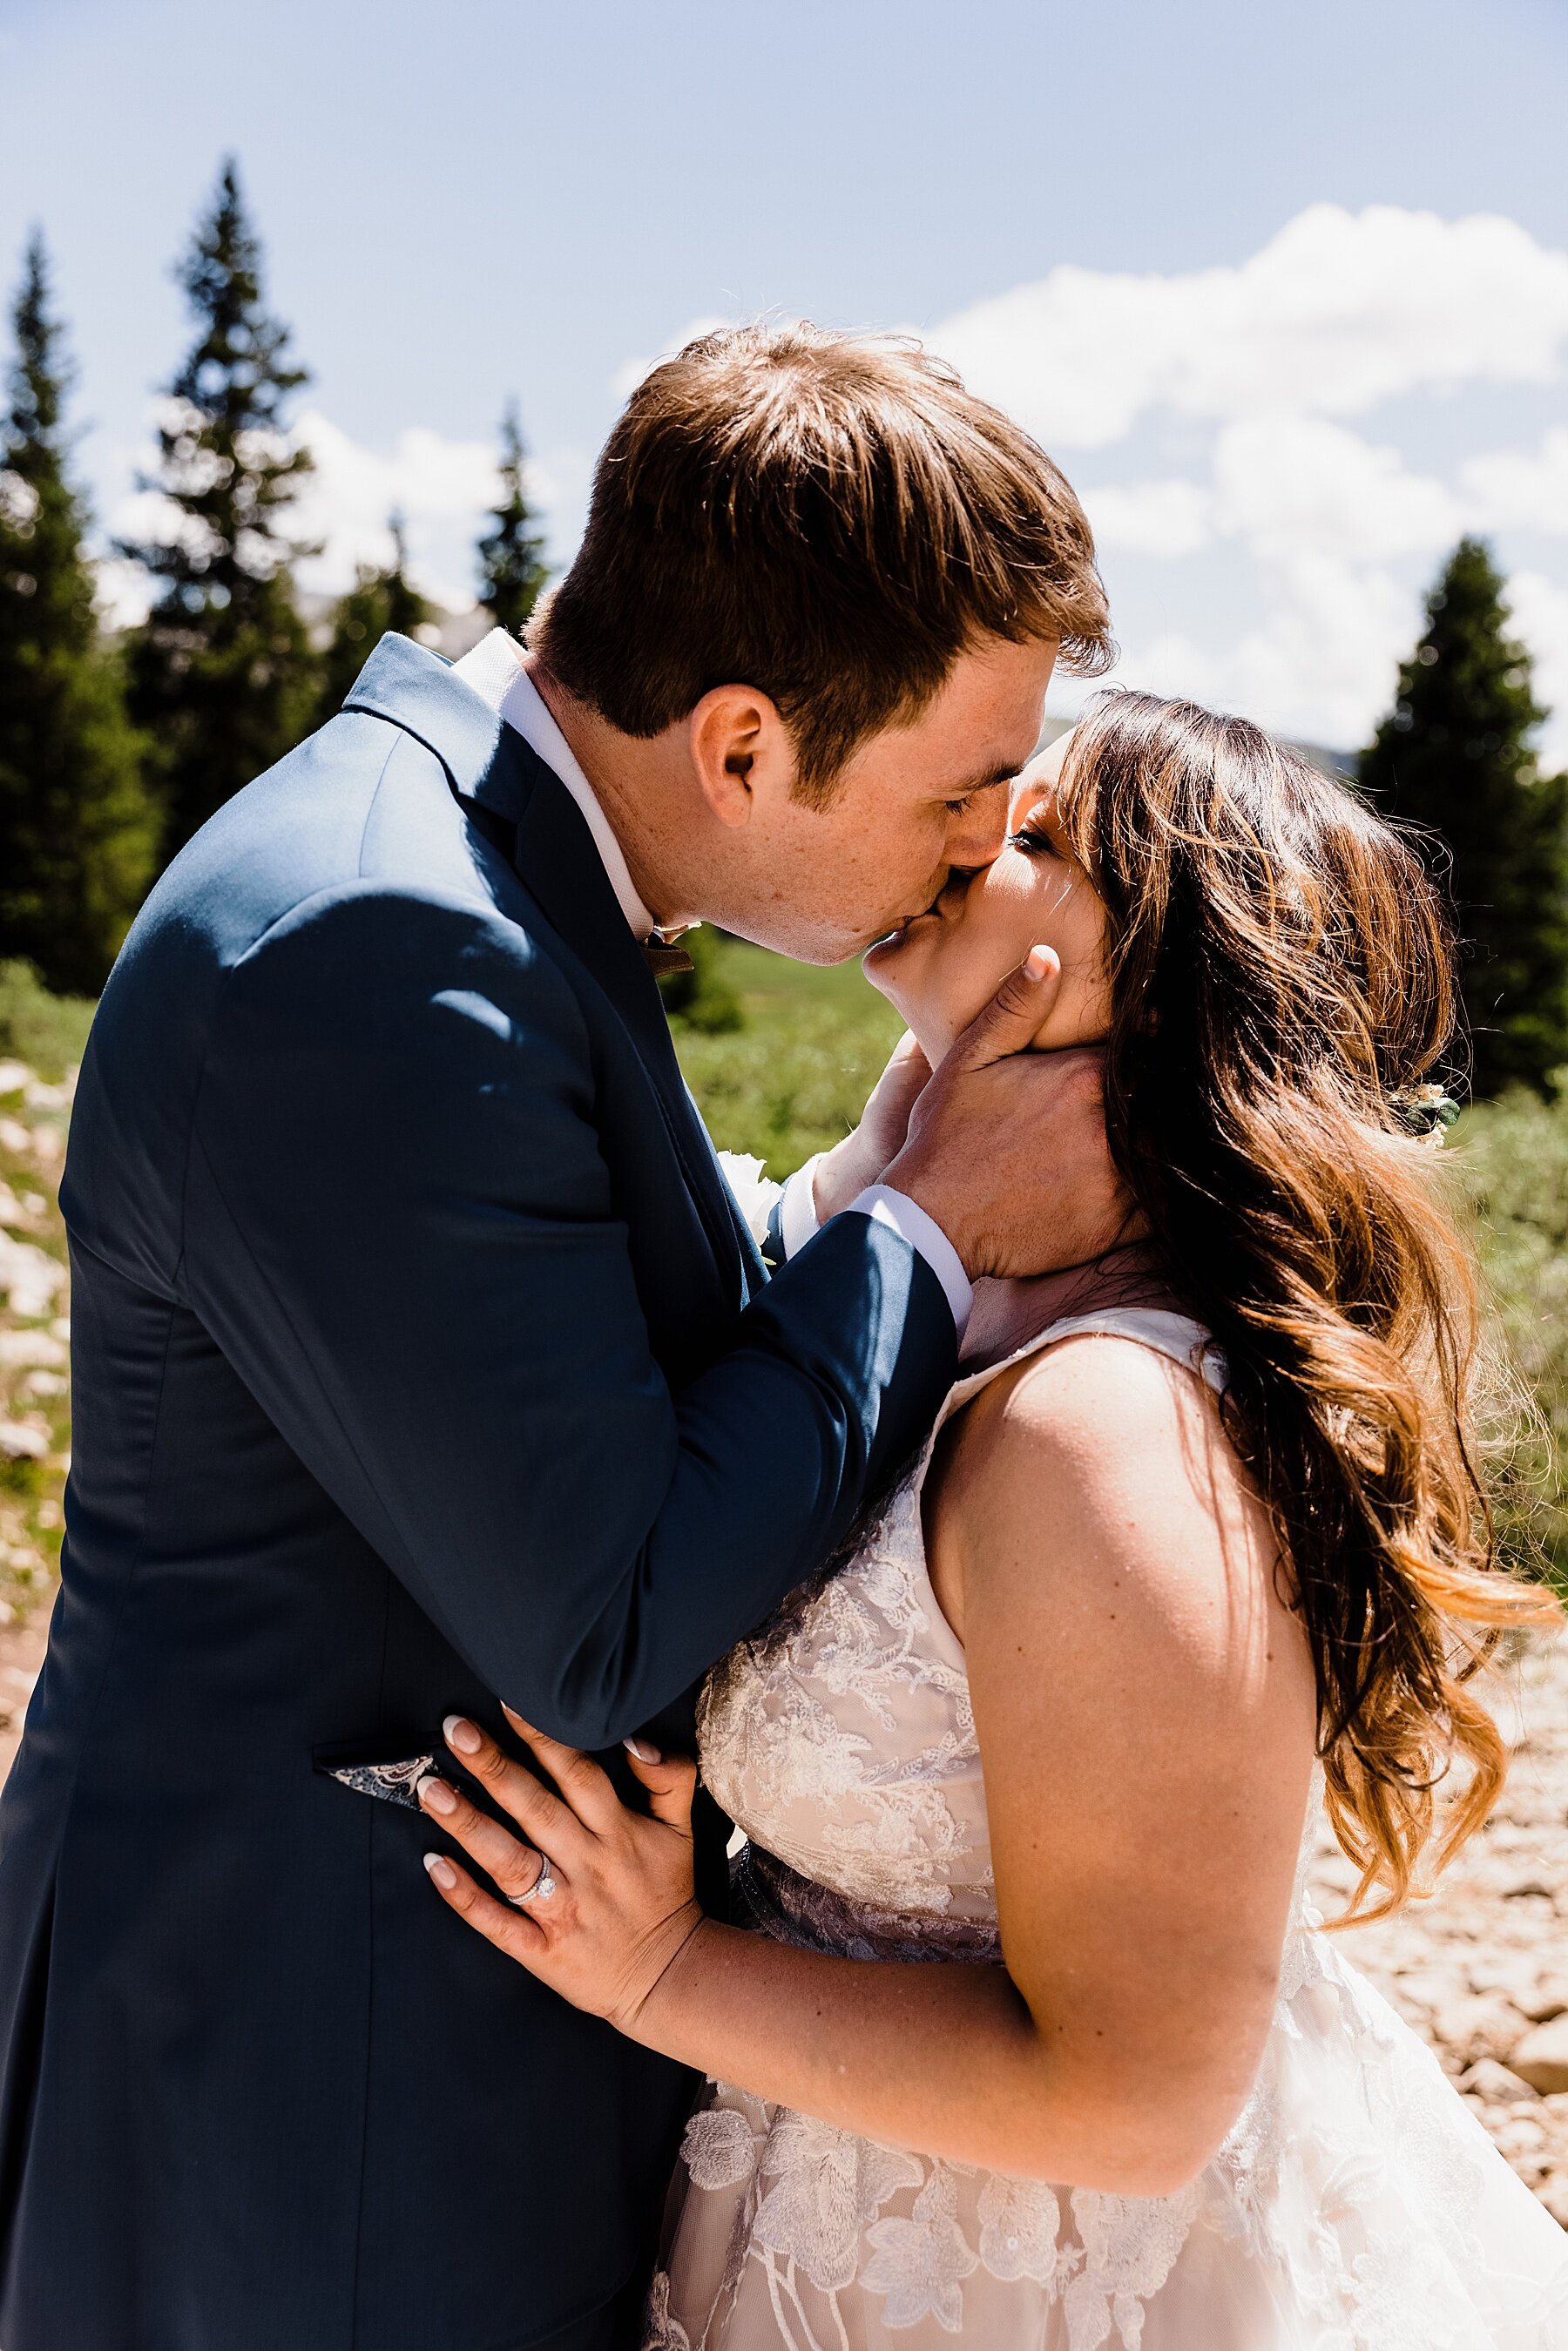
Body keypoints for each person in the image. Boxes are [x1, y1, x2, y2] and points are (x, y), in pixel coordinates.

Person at [0, 327, 1125, 2351]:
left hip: (415, 2024)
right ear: (742, 746)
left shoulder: (482, 875)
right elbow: (602, 1608)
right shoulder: (386, 942)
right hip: (312, 2069)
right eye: (961, 791)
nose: (983, 842)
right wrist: (941, 1232)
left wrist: (876, 1173)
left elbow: (585, 1317)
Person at [421, 693, 1568, 2349]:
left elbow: (1137, 2102)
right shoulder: (971, 1311)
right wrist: (907, 1164)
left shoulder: (1099, 1430)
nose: (968, 838)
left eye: (1035, 840)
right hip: (834, 2207)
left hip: (1051, 2275)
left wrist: (661, 1971)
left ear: (1173, 988)